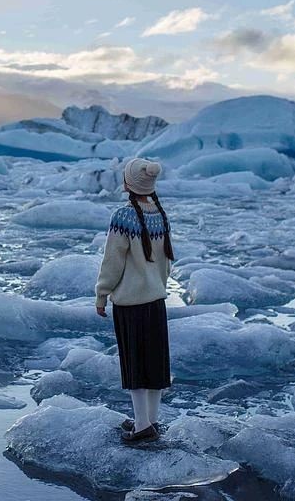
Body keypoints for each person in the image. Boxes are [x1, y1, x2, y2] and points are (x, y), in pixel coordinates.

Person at [95, 157, 174, 443]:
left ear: (129, 184)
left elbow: (112, 262)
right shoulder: (161, 215)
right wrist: (157, 286)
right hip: (156, 302)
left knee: (134, 365)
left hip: (130, 304)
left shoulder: (123, 217)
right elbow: (166, 263)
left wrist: (102, 294)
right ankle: (152, 420)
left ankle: (141, 426)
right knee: (154, 363)